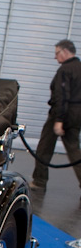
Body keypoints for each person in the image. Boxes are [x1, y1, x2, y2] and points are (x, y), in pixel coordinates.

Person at [31, 39, 81, 193]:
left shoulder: (64, 70)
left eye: (57, 53)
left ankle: (39, 181)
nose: (55, 57)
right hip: (77, 115)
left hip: (61, 114)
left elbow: (62, 97)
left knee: (44, 148)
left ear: (65, 51)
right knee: (74, 151)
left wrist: (59, 120)